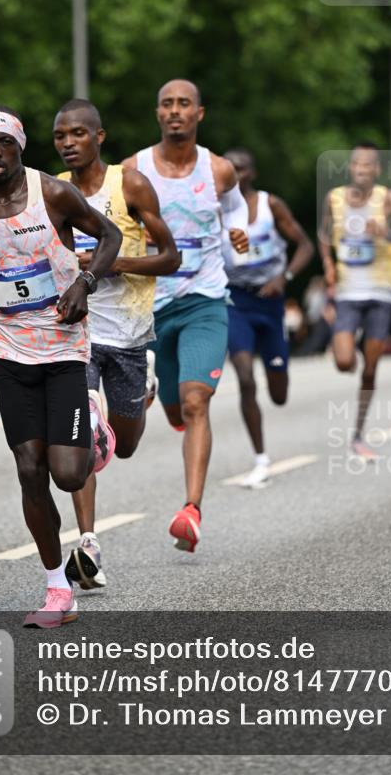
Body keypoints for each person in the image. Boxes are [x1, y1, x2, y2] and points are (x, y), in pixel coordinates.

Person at [0, 108, 122, 628]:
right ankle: (57, 588)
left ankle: (94, 429)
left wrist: (84, 284)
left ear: (19, 148)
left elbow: (109, 237)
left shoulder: (53, 195)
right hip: (9, 352)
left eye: (3, 144)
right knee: (29, 470)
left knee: (68, 472)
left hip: (63, 348)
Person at [53, 99, 180, 588]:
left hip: (128, 333)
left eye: (78, 134)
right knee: (78, 438)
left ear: (98, 137)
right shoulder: (54, 194)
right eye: (61, 136)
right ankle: (87, 543)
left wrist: (111, 263)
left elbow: (170, 257)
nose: (68, 143)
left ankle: (142, 391)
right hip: (75, 334)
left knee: (123, 446)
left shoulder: (128, 183)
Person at [123, 79, 249, 553]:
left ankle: (191, 510)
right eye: (167, 104)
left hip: (205, 300)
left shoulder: (219, 170)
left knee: (196, 402)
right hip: (151, 305)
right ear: (158, 113)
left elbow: (235, 210)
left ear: (200, 113)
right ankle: (169, 402)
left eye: (184, 104)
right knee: (176, 408)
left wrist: (237, 233)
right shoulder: (135, 169)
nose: (175, 111)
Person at [319, 141, 391, 460]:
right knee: (344, 361)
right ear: (350, 167)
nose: (361, 170)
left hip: (382, 292)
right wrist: (327, 267)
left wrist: (387, 234)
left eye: (368, 166)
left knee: (370, 369)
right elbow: (324, 235)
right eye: (356, 165)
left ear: (377, 170)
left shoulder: (389, 199)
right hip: (349, 292)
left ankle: (358, 435)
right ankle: (357, 347)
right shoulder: (334, 198)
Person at [222, 148, 314, 487]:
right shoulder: (216, 210)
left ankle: (278, 370)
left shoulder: (270, 205)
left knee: (278, 392)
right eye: (229, 168)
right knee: (245, 378)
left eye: (242, 168)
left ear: (253, 173)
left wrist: (284, 278)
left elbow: (305, 246)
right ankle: (260, 457)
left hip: (271, 301)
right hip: (236, 301)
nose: (236, 174)